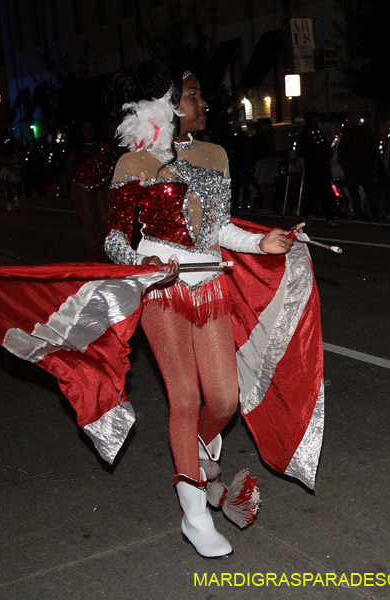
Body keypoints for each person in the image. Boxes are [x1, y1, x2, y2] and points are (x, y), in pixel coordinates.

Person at [106, 66, 301, 559]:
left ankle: (194, 455)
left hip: (210, 284)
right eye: (193, 95)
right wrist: (142, 261)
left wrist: (263, 241)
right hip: (160, 291)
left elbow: (219, 231)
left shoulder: (214, 155)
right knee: (186, 398)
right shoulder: (134, 163)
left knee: (224, 400)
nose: (203, 104)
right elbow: (113, 241)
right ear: (167, 104)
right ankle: (194, 514)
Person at [60, 121, 114, 261]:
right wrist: (60, 184)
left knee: (104, 220)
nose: (90, 130)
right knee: (90, 222)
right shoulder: (77, 149)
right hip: (82, 185)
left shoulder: (104, 146)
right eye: (86, 127)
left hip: (101, 183)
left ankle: (96, 244)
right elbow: (69, 168)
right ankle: (93, 252)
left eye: (91, 127)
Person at [296, 112, 339, 226]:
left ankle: (328, 216)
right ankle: (305, 214)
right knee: (312, 192)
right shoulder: (306, 133)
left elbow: (324, 146)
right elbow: (301, 151)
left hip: (322, 167)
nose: (317, 120)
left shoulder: (318, 131)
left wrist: (327, 156)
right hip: (313, 168)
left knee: (324, 192)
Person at [338, 111, 380, 219]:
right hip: (365, 167)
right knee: (370, 191)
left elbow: (341, 151)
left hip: (352, 168)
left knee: (355, 193)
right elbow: (373, 149)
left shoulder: (347, 133)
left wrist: (345, 165)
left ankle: (359, 213)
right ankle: (374, 212)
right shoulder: (366, 132)